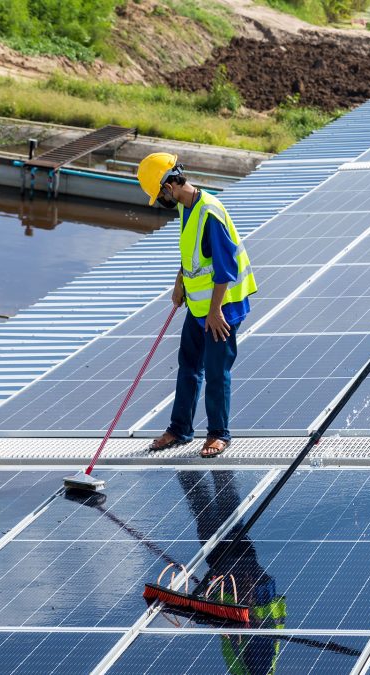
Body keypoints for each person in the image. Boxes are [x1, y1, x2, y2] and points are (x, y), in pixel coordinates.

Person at [137, 153, 258, 459]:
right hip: (198, 305)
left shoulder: (210, 212)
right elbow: (190, 253)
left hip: (223, 308)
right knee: (189, 365)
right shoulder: (186, 207)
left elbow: (225, 268)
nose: (161, 200)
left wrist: (216, 312)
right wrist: (179, 282)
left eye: (160, 193)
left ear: (170, 184)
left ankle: (219, 434)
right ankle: (179, 430)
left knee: (216, 370)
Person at [176, 471, 286, 673]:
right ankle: (197, 471)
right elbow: (259, 633)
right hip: (246, 593)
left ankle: (214, 471)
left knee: (221, 526)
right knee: (217, 525)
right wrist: (247, 603)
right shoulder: (260, 671)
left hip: (236, 594)